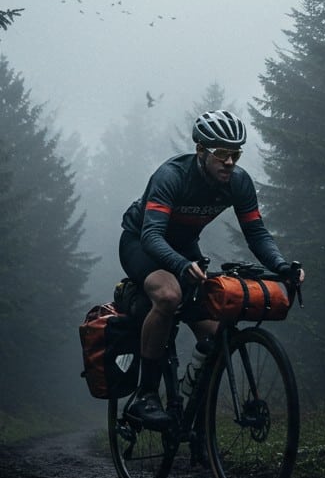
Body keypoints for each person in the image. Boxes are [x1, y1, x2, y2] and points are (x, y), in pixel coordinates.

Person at [118, 109, 304, 429]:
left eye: (236, 153)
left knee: (216, 333)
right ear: (201, 151)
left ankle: (192, 412)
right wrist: (179, 265)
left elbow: (256, 234)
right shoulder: (172, 176)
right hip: (142, 243)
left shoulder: (238, 182)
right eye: (221, 153)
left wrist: (282, 266)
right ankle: (146, 396)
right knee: (168, 295)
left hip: (185, 247)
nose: (230, 162)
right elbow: (151, 235)